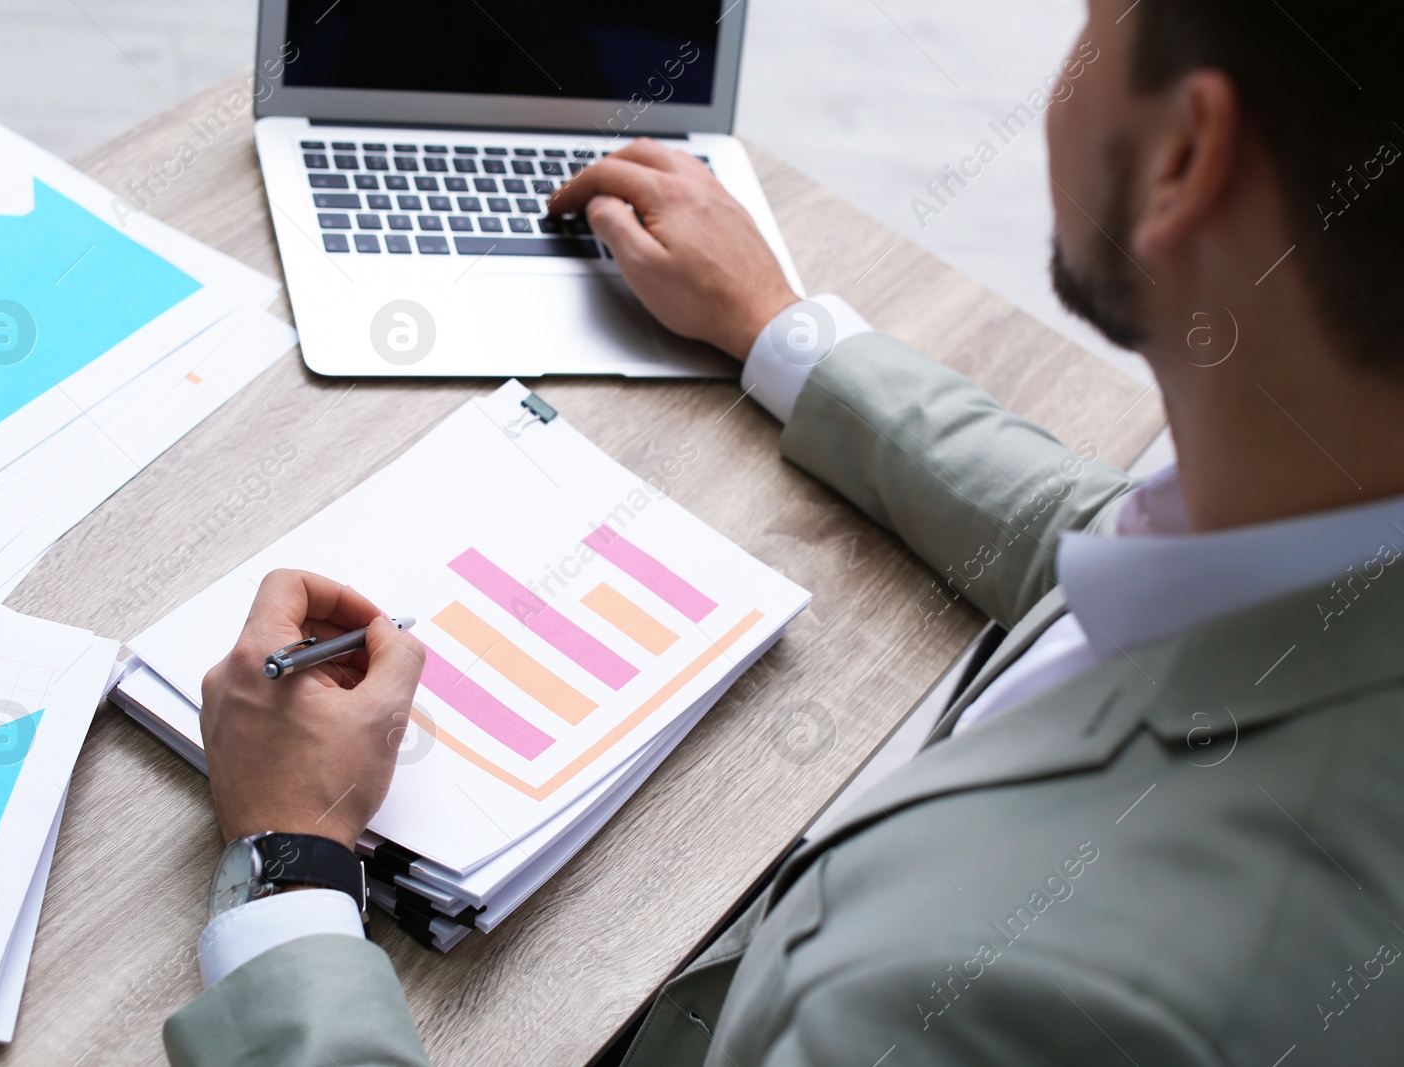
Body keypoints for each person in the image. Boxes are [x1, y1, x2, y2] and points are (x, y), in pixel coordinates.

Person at [164, 0, 1404, 1061]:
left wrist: (291, 864)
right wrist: (779, 330)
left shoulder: (976, 992)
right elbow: (1115, 544)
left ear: (1185, 158)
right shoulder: (1329, 518)